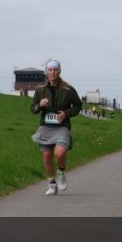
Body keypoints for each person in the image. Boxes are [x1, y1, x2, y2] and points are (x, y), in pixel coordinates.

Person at [30, 60, 82, 195]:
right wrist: (39, 105)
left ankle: (61, 172)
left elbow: (78, 106)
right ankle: (52, 184)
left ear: (59, 71)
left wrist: (66, 113)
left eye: (55, 70)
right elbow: (33, 108)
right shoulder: (40, 89)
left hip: (62, 126)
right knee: (47, 156)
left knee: (60, 153)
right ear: (47, 72)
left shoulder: (68, 89)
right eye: (50, 70)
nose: (52, 72)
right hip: (45, 127)